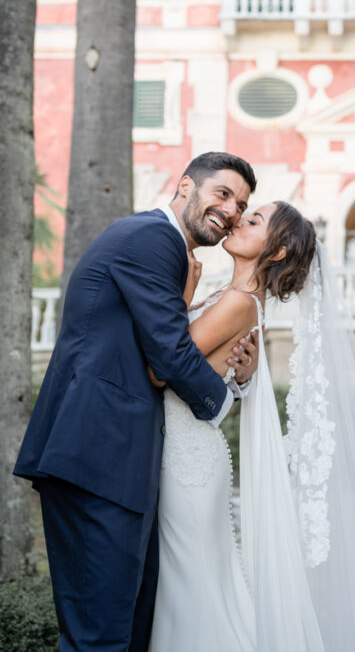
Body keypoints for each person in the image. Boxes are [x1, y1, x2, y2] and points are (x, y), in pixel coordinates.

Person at [150, 199, 355, 652]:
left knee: (194, 591)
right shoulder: (233, 300)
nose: (236, 220)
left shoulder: (237, 303)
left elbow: (165, 363)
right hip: (186, 454)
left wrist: (181, 297)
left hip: (186, 461)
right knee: (195, 588)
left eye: (253, 220)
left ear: (278, 251)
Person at [14, 152, 261, 652]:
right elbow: (169, 357)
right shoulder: (152, 239)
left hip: (120, 461)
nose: (232, 210)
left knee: (124, 633)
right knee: (99, 637)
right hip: (97, 456)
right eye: (224, 194)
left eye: (243, 204)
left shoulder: (167, 252)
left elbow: (161, 341)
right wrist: (223, 403)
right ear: (186, 186)